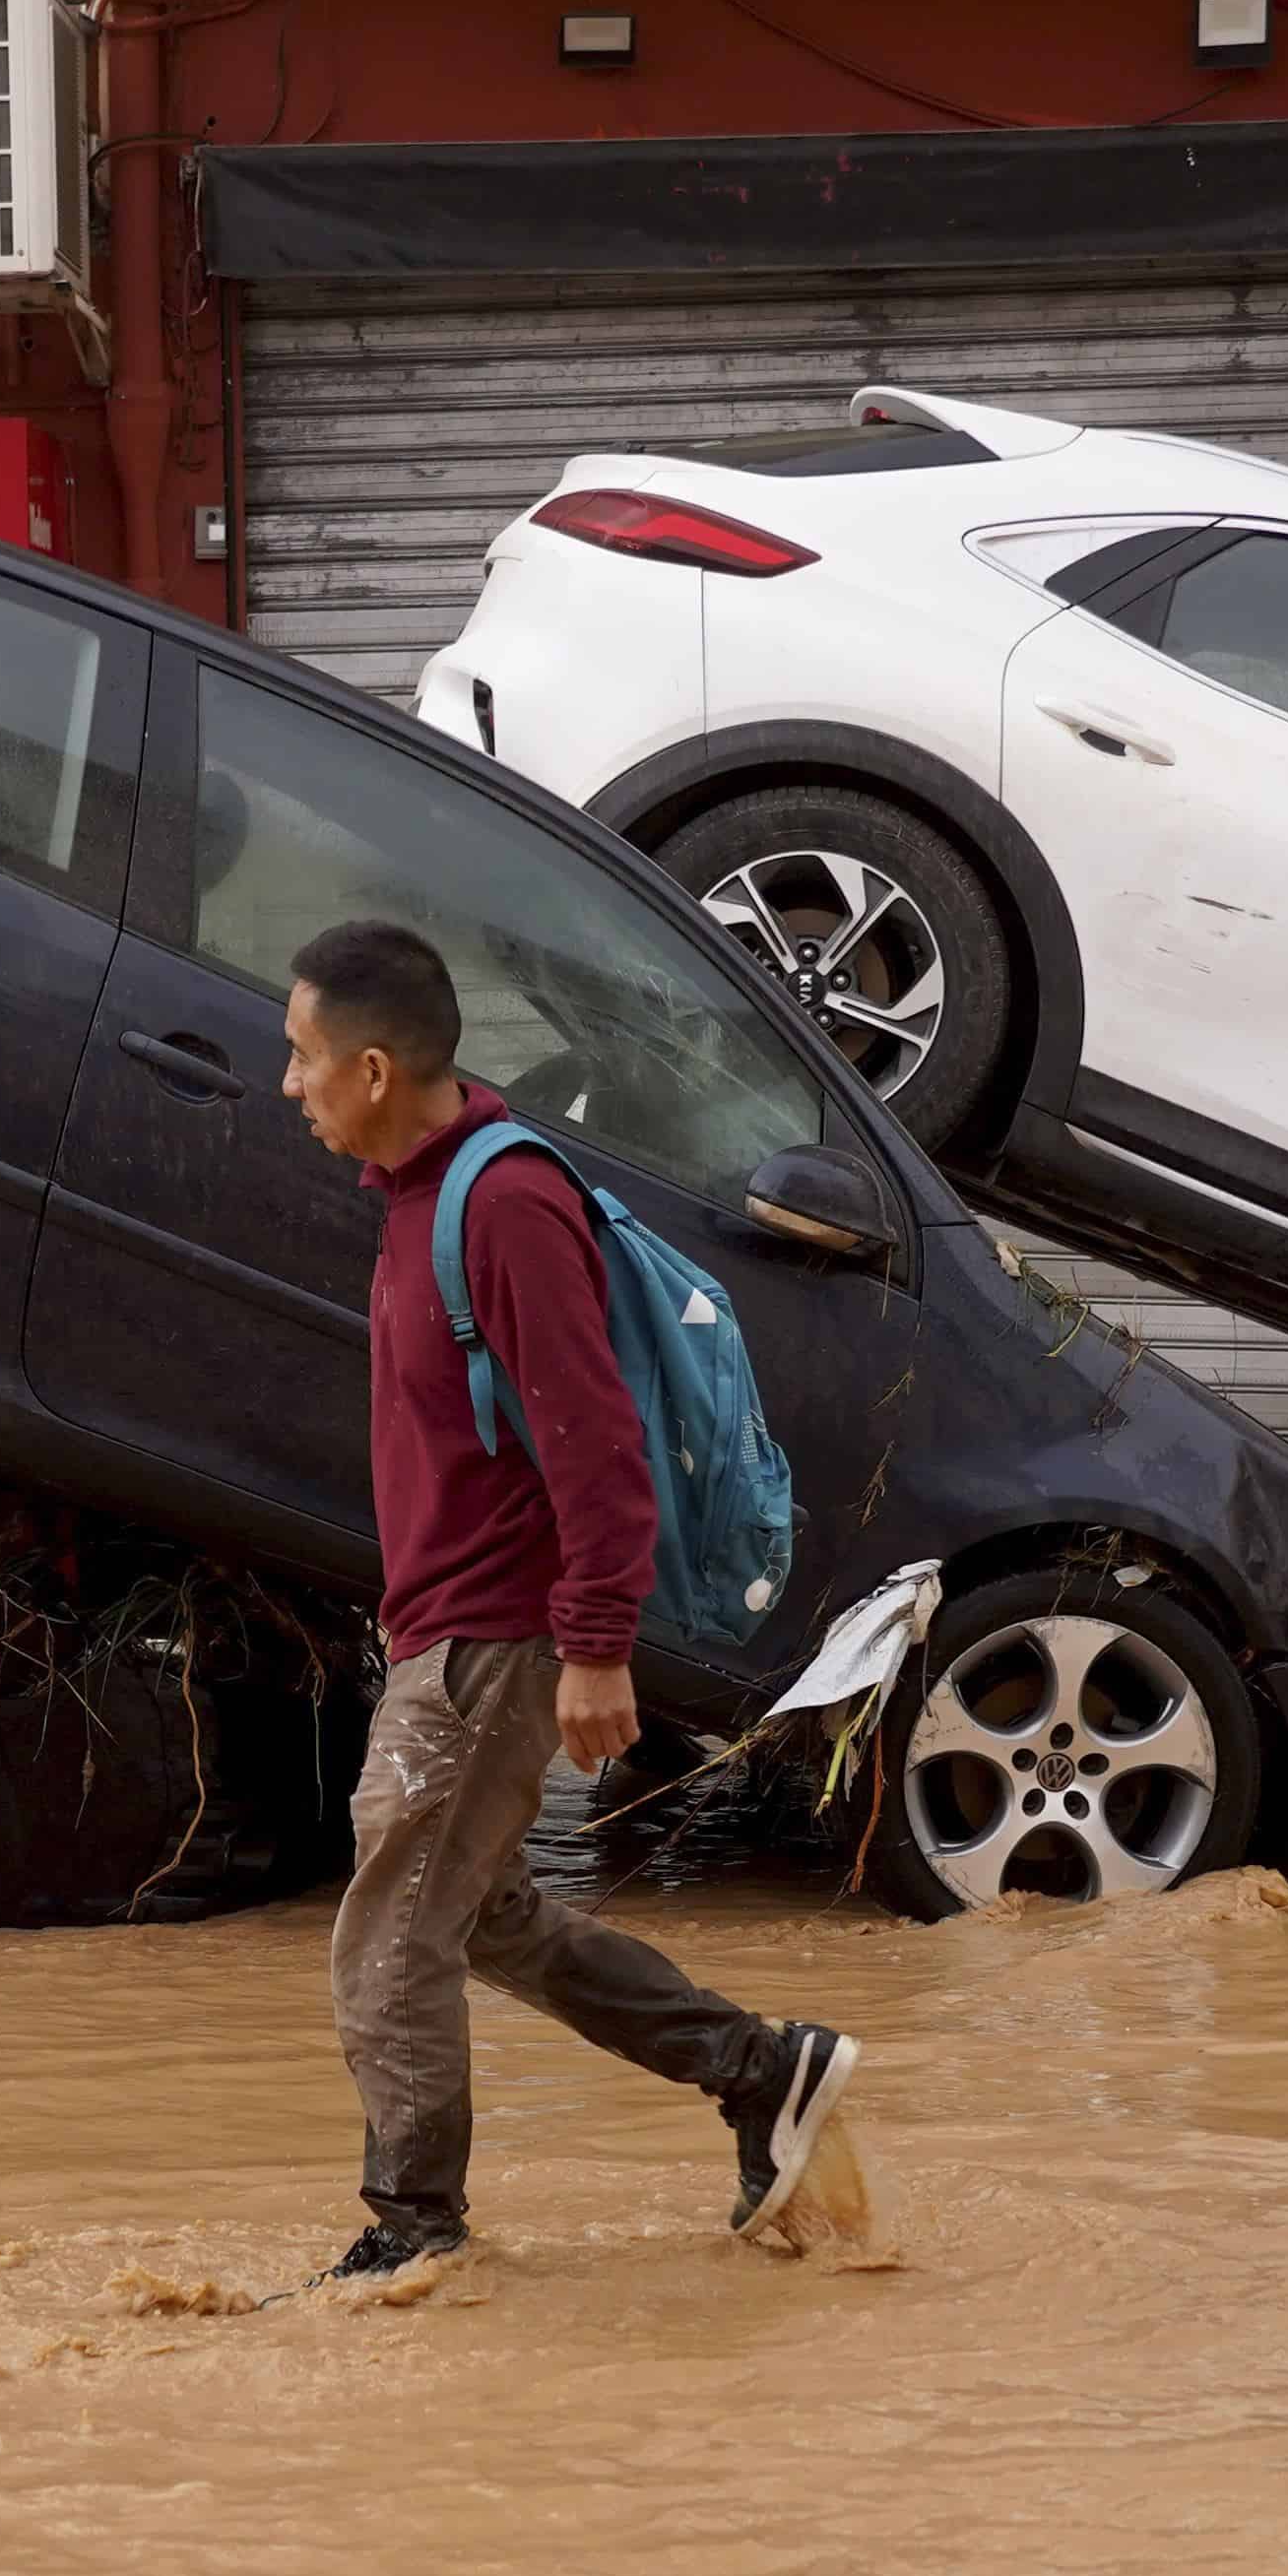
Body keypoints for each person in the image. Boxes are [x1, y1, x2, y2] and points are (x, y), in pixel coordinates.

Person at [279, 917, 858, 2285]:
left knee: (391, 1933)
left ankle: (412, 2234)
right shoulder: (421, 1197)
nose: (287, 1083)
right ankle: (761, 2073)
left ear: (371, 1067)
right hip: (446, 1629)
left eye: (301, 1057)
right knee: (477, 1919)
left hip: (496, 1638)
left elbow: (595, 1441)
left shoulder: (503, 1203)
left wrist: (597, 1646)